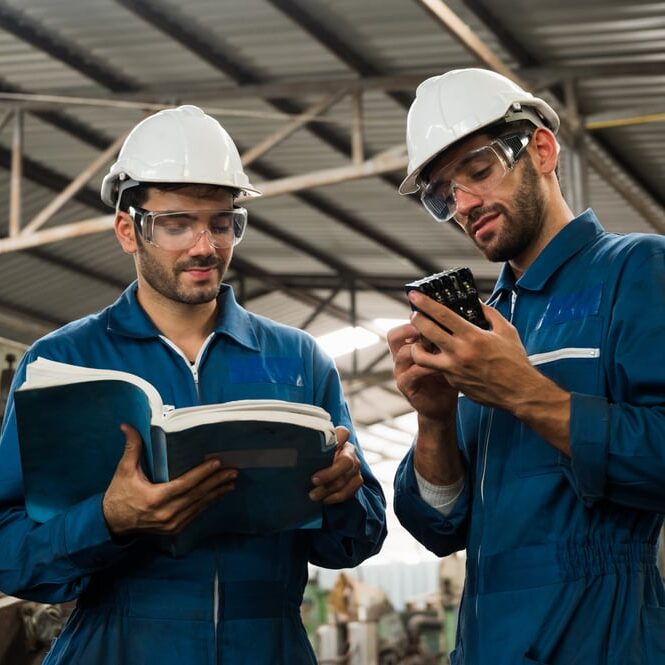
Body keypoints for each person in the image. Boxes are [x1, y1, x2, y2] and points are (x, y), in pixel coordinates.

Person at [0, 105, 386, 664]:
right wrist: (107, 520)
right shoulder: (63, 362)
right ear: (128, 230)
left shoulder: (297, 360)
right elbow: (9, 552)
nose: (205, 246)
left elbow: (357, 540)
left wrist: (346, 496)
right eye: (176, 224)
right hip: (117, 645)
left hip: (266, 646)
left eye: (222, 222)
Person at [388, 68, 665, 664]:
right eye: (442, 194)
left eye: (478, 171)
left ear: (541, 148)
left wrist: (524, 393)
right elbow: (440, 528)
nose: (462, 205)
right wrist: (434, 420)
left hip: (604, 636)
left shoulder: (636, 272)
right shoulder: (478, 328)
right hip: (485, 639)